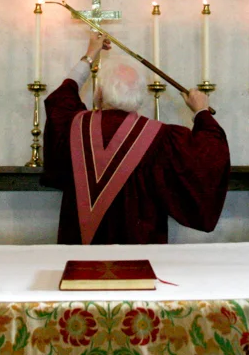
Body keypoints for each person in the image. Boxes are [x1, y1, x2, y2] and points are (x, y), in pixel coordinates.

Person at [42, 32, 230, 244]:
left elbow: (61, 99)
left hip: (79, 254)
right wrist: (201, 112)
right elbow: (209, 152)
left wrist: (90, 55)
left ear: (99, 94)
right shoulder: (161, 137)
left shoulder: (74, 127)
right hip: (140, 251)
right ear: (139, 97)